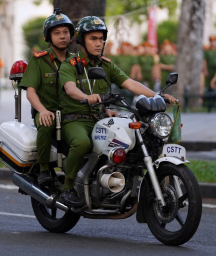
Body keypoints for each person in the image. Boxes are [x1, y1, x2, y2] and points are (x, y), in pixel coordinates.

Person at [58, 16, 175, 208]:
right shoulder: (69, 65)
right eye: (93, 39)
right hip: (75, 119)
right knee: (81, 142)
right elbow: (70, 88)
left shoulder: (105, 64)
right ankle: (68, 188)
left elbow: (130, 83)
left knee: (130, 138)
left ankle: (116, 182)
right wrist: (86, 96)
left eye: (101, 38)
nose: (99, 43)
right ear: (81, 41)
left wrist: (158, 95)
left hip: (99, 117)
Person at [19, 9, 75, 188]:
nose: (62, 37)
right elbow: (30, 91)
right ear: (48, 37)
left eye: (65, 32)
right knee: (46, 122)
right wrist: (42, 110)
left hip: (70, 114)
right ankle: (43, 169)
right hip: (47, 112)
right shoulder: (39, 60)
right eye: (57, 33)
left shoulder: (75, 62)